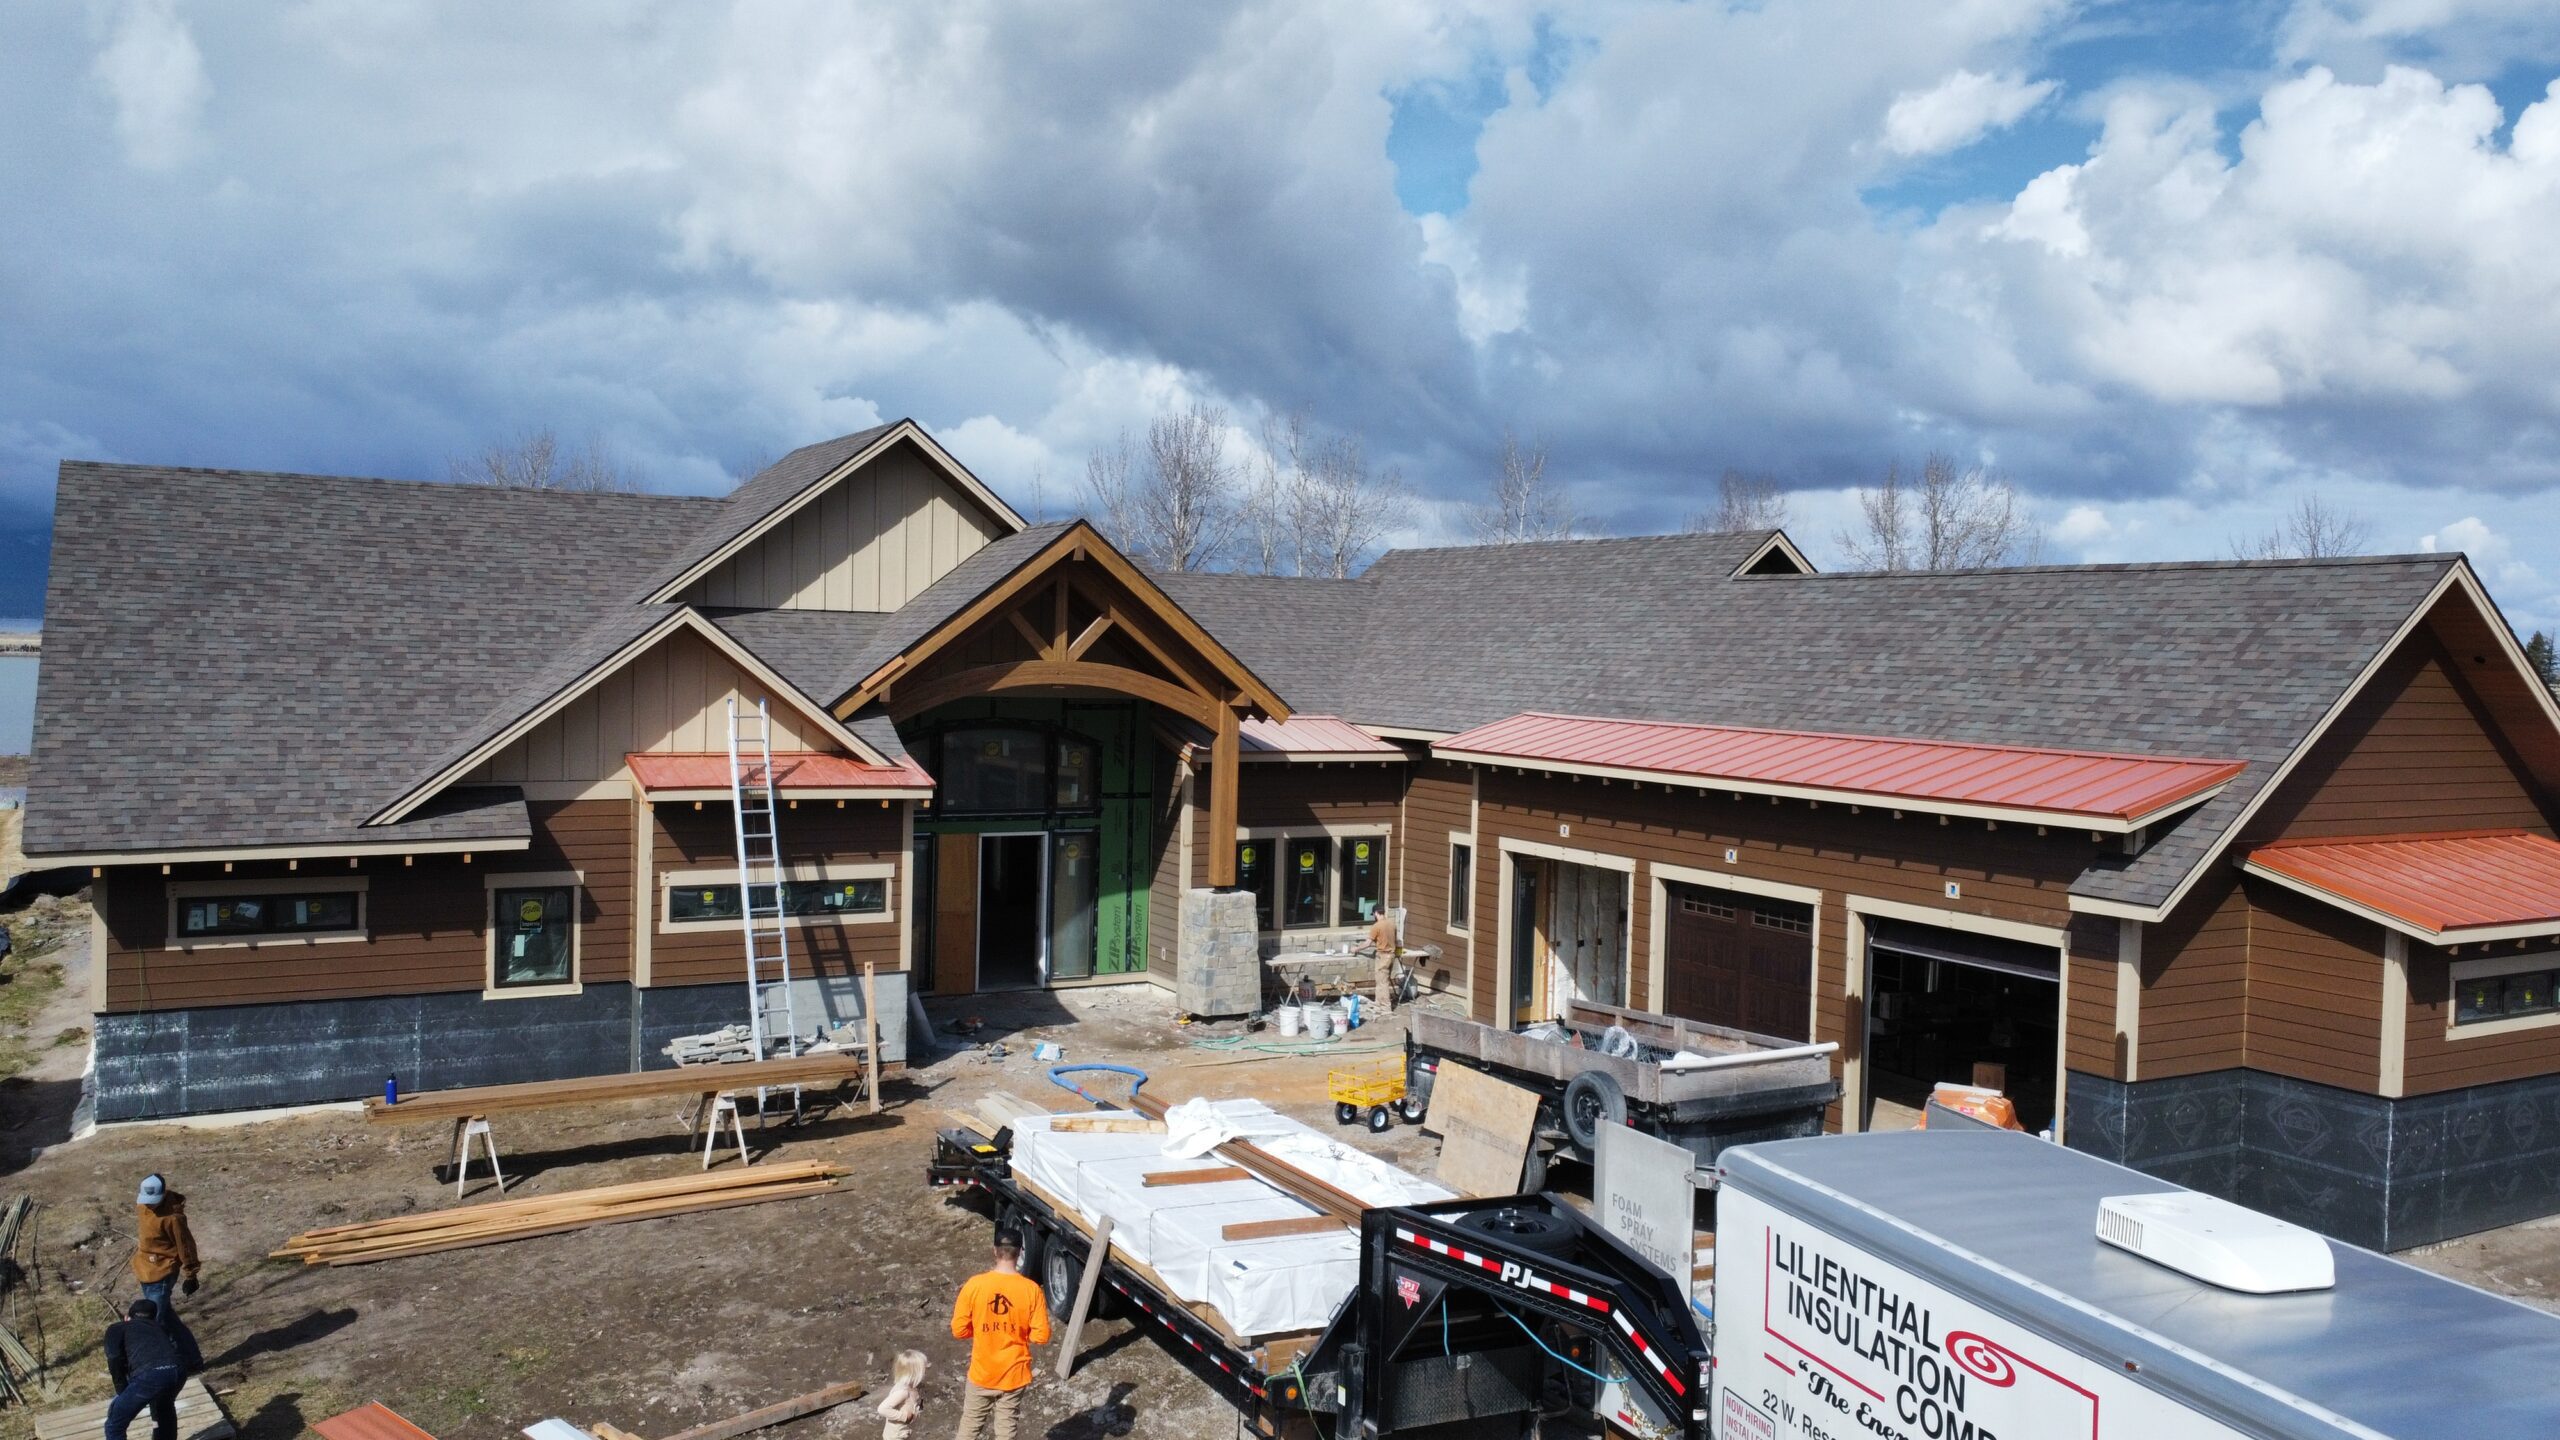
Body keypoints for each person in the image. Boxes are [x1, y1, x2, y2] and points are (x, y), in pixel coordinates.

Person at [948, 1230, 1050, 1440]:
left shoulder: (974, 1285)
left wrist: (982, 1328)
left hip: (982, 1373)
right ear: (1020, 1252)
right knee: (1006, 1431)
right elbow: (1041, 1336)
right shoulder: (1031, 1290)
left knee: (969, 1428)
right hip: (1014, 1373)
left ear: (994, 1250)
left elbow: (958, 1330)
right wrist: (1018, 1332)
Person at [103, 1298, 199, 1440]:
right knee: (164, 1408)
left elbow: (114, 1356)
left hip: (149, 1375)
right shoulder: (161, 1328)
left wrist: (121, 1388)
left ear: (126, 1318)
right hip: (178, 1371)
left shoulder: (118, 1328)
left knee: (114, 1424)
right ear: (154, 1318)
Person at [129, 1175, 201, 1330]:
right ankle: (188, 1353)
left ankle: (163, 1353)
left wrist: (191, 1274)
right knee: (166, 1317)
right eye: (146, 1199)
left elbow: (186, 1245)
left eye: (152, 1200)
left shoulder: (173, 1218)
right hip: (144, 1269)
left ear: (163, 1195)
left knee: (153, 1324)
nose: (148, 1204)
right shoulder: (143, 1206)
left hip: (162, 1273)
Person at [877, 1349, 927, 1440]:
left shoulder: (913, 1388)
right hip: (895, 1436)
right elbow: (882, 1409)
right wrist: (903, 1416)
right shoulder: (902, 1392)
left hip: (904, 1432)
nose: (925, 1371)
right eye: (923, 1369)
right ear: (914, 1372)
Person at [1366, 906, 1401, 1014]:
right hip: (1391, 955)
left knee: (1383, 982)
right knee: (1380, 980)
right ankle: (1378, 1003)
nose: (1374, 917)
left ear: (1376, 913)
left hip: (1383, 956)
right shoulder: (1392, 924)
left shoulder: (1376, 926)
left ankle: (1386, 1007)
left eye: (1374, 914)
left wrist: (1356, 948)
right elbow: (1396, 941)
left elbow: (1368, 943)